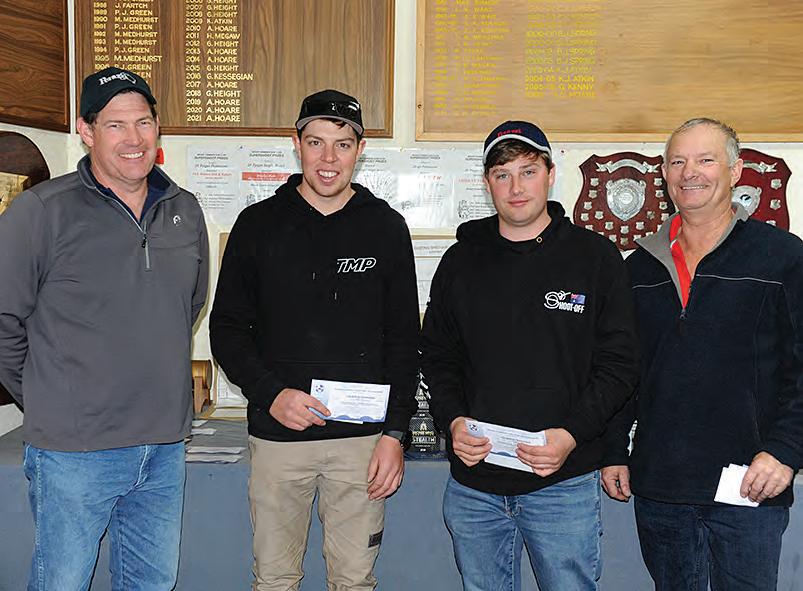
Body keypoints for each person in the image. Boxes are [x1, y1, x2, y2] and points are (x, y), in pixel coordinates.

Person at [0, 67, 209, 590]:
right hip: (74, 452)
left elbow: (187, 305)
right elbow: (3, 320)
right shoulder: (41, 211)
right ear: (86, 131)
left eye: (143, 122)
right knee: (62, 583)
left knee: (151, 584)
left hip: (164, 446)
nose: (133, 139)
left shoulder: (184, 210)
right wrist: (48, 398)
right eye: (115, 125)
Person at [209, 89, 419, 591]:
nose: (329, 159)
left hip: (361, 443)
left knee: (355, 581)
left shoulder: (386, 228)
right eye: (316, 142)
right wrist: (272, 395)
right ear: (296, 144)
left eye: (342, 145)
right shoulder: (257, 225)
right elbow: (227, 330)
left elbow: (404, 340)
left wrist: (395, 433)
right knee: (275, 579)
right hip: (280, 440)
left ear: (360, 149)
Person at [420, 120, 639, 591]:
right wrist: (453, 421)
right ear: (487, 183)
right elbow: (438, 357)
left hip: (563, 484)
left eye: (528, 171)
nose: (515, 187)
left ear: (551, 174)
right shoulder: (460, 261)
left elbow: (620, 365)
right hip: (475, 486)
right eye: (502, 174)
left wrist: (572, 435)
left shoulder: (596, 258)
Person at [601, 118, 803, 590]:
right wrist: (612, 449)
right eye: (677, 161)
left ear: (735, 171)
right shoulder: (638, 268)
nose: (689, 172)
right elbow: (624, 369)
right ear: (664, 175)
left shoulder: (782, 256)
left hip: (751, 486)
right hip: (662, 489)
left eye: (705, 159)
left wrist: (786, 451)